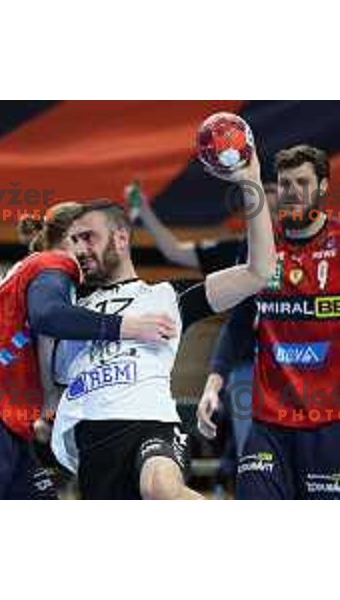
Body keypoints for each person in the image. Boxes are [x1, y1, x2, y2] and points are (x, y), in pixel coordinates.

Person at [51, 149, 276, 499]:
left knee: (161, 488)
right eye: (75, 241)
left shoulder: (168, 295)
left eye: (89, 237)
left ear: (122, 239)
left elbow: (259, 271)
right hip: (91, 443)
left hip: (152, 427)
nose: (80, 249)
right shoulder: (68, 311)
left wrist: (251, 181)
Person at [0, 203, 180, 500]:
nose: (89, 249)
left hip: (0, 418)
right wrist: (128, 326)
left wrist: (46, 403)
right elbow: (48, 317)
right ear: (70, 237)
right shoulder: (56, 263)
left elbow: (39, 341)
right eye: (86, 237)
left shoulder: (36, 269)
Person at [197, 144, 340, 499]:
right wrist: (213, 384)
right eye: (285, 183)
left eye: (303, 182)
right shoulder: (263, 246)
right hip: (268, 422)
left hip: (329, 424)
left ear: (323, 186)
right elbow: (238, 324)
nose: (292, 192)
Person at [126, 179, 278, 274]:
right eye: (261, 211)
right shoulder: (232, 250)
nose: (268, 218)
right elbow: (175, 252)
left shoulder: (300, 252)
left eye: (275, 210)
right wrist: (143, 210)